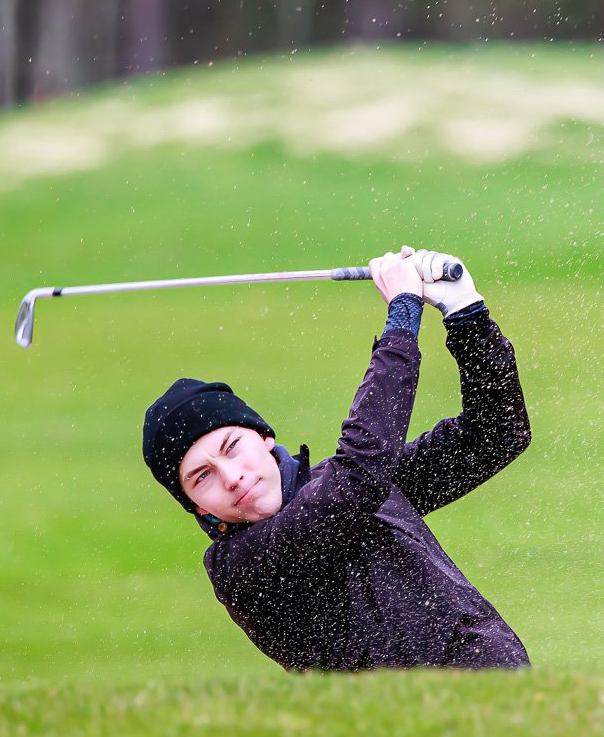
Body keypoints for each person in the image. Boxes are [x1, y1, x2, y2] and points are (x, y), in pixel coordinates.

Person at [141, 246, 532, 673]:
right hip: (398, 731)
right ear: (197, 506)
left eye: (231, 447)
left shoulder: (357, 484)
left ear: (264, 438)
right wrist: (402, 318)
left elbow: (496, 433)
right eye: (202, 478)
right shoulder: (241, 566)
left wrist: (465, 315)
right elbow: (355, 481)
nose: (231, 477)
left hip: (504, 699)